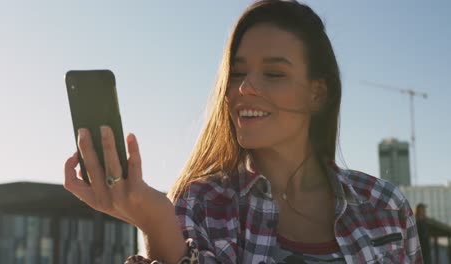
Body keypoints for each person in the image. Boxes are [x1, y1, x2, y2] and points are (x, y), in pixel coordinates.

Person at [63, 0, 423, 263]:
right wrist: (156, 222)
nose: (244, 87)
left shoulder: (385, 206)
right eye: (237, 73)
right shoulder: (201, 203)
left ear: (318, 92)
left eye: (274, 73)